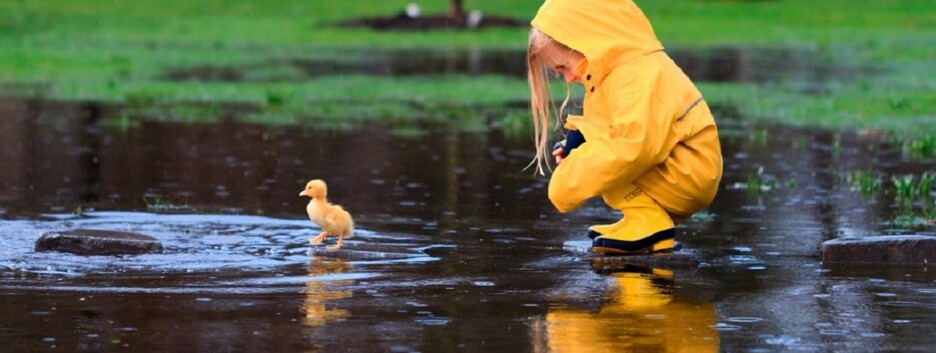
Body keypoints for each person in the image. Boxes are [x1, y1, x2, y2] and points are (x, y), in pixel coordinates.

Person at [526, 0, 723, 254]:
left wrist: (567, 183)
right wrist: (578, 143)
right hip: (677, 170)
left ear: (586, 41)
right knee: (603, 157)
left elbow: (635, 146)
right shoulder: (612, 73)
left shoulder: (639, 74)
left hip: (688, 175)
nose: (569, 77)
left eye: (564, 67)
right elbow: (608, 125)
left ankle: (650, 224)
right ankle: (641, 219)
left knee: (610, 160)